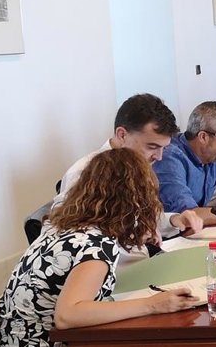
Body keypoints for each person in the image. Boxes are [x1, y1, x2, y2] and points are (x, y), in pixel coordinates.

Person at [0, 149, 198, 347]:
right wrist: (153, 304)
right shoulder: (96, 246)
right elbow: (68, 315)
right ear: (135, 199)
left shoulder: (61, 224)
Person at [53, 93, 203, 247]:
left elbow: (141, 218)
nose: (159, 157)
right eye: (152, 147)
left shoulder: (139, 167)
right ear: (122, 135)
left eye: (163, 148)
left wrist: (174, 220)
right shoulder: (83, 173)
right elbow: (69, 238)